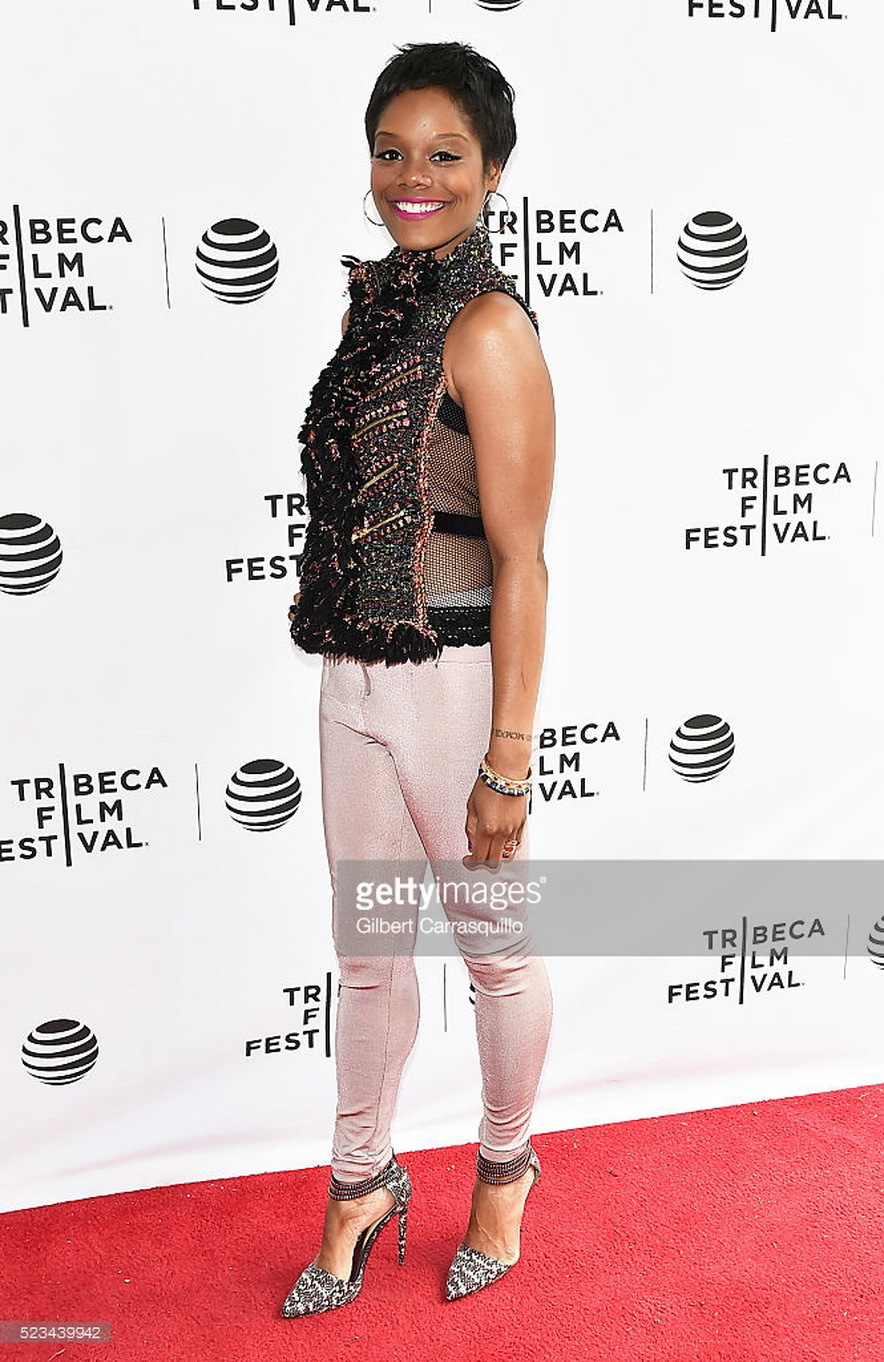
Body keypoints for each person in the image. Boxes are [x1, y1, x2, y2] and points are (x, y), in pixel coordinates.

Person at [281, 40, 555, 1315]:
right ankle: (358, 1182)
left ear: (491, 170)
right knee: (367, 957)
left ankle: (503, 1170)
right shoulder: (367, 309)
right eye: (391, 151)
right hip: (349, 669)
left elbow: (521, 560)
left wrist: (510, 758)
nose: (412, 176)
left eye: (445, 155)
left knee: (492, 951)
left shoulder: (489, 330)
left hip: (450, 680)